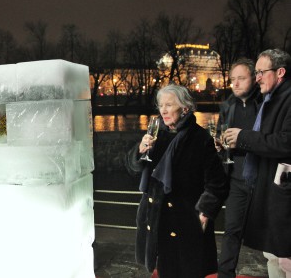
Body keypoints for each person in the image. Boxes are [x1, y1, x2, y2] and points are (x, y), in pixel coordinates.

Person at [125, 84, 229, 278]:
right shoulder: (156, 133)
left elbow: (218, 183)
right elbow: (132, 169)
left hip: (186, 221)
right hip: (157, 218)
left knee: (187, 271)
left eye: (169, 105)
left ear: (185, 108)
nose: (163, 110)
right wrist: (139, 151)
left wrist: (205, 213)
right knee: (164, 271)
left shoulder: (200, 139)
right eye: (160, 105)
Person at [224, 48, 291, 278]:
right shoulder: (271, 99)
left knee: (282, 256)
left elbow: (285, 142)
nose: (259, 77)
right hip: (265, 186)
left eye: (261, 72)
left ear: (280, 72)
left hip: (280, 190)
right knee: (273, 256)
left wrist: (243, 137)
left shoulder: (279, 99)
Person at [217, 58, 263, 278]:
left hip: (262, 177)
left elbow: (270, 140)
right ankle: (225, 274)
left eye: (241, 78)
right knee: (231, 230)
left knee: (272, 231)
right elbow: (221, 136)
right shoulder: (228, 105)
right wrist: (219, 144)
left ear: (254, 78)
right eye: (232, 79)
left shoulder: (265, 103)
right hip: (236, 177)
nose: (235, 84)